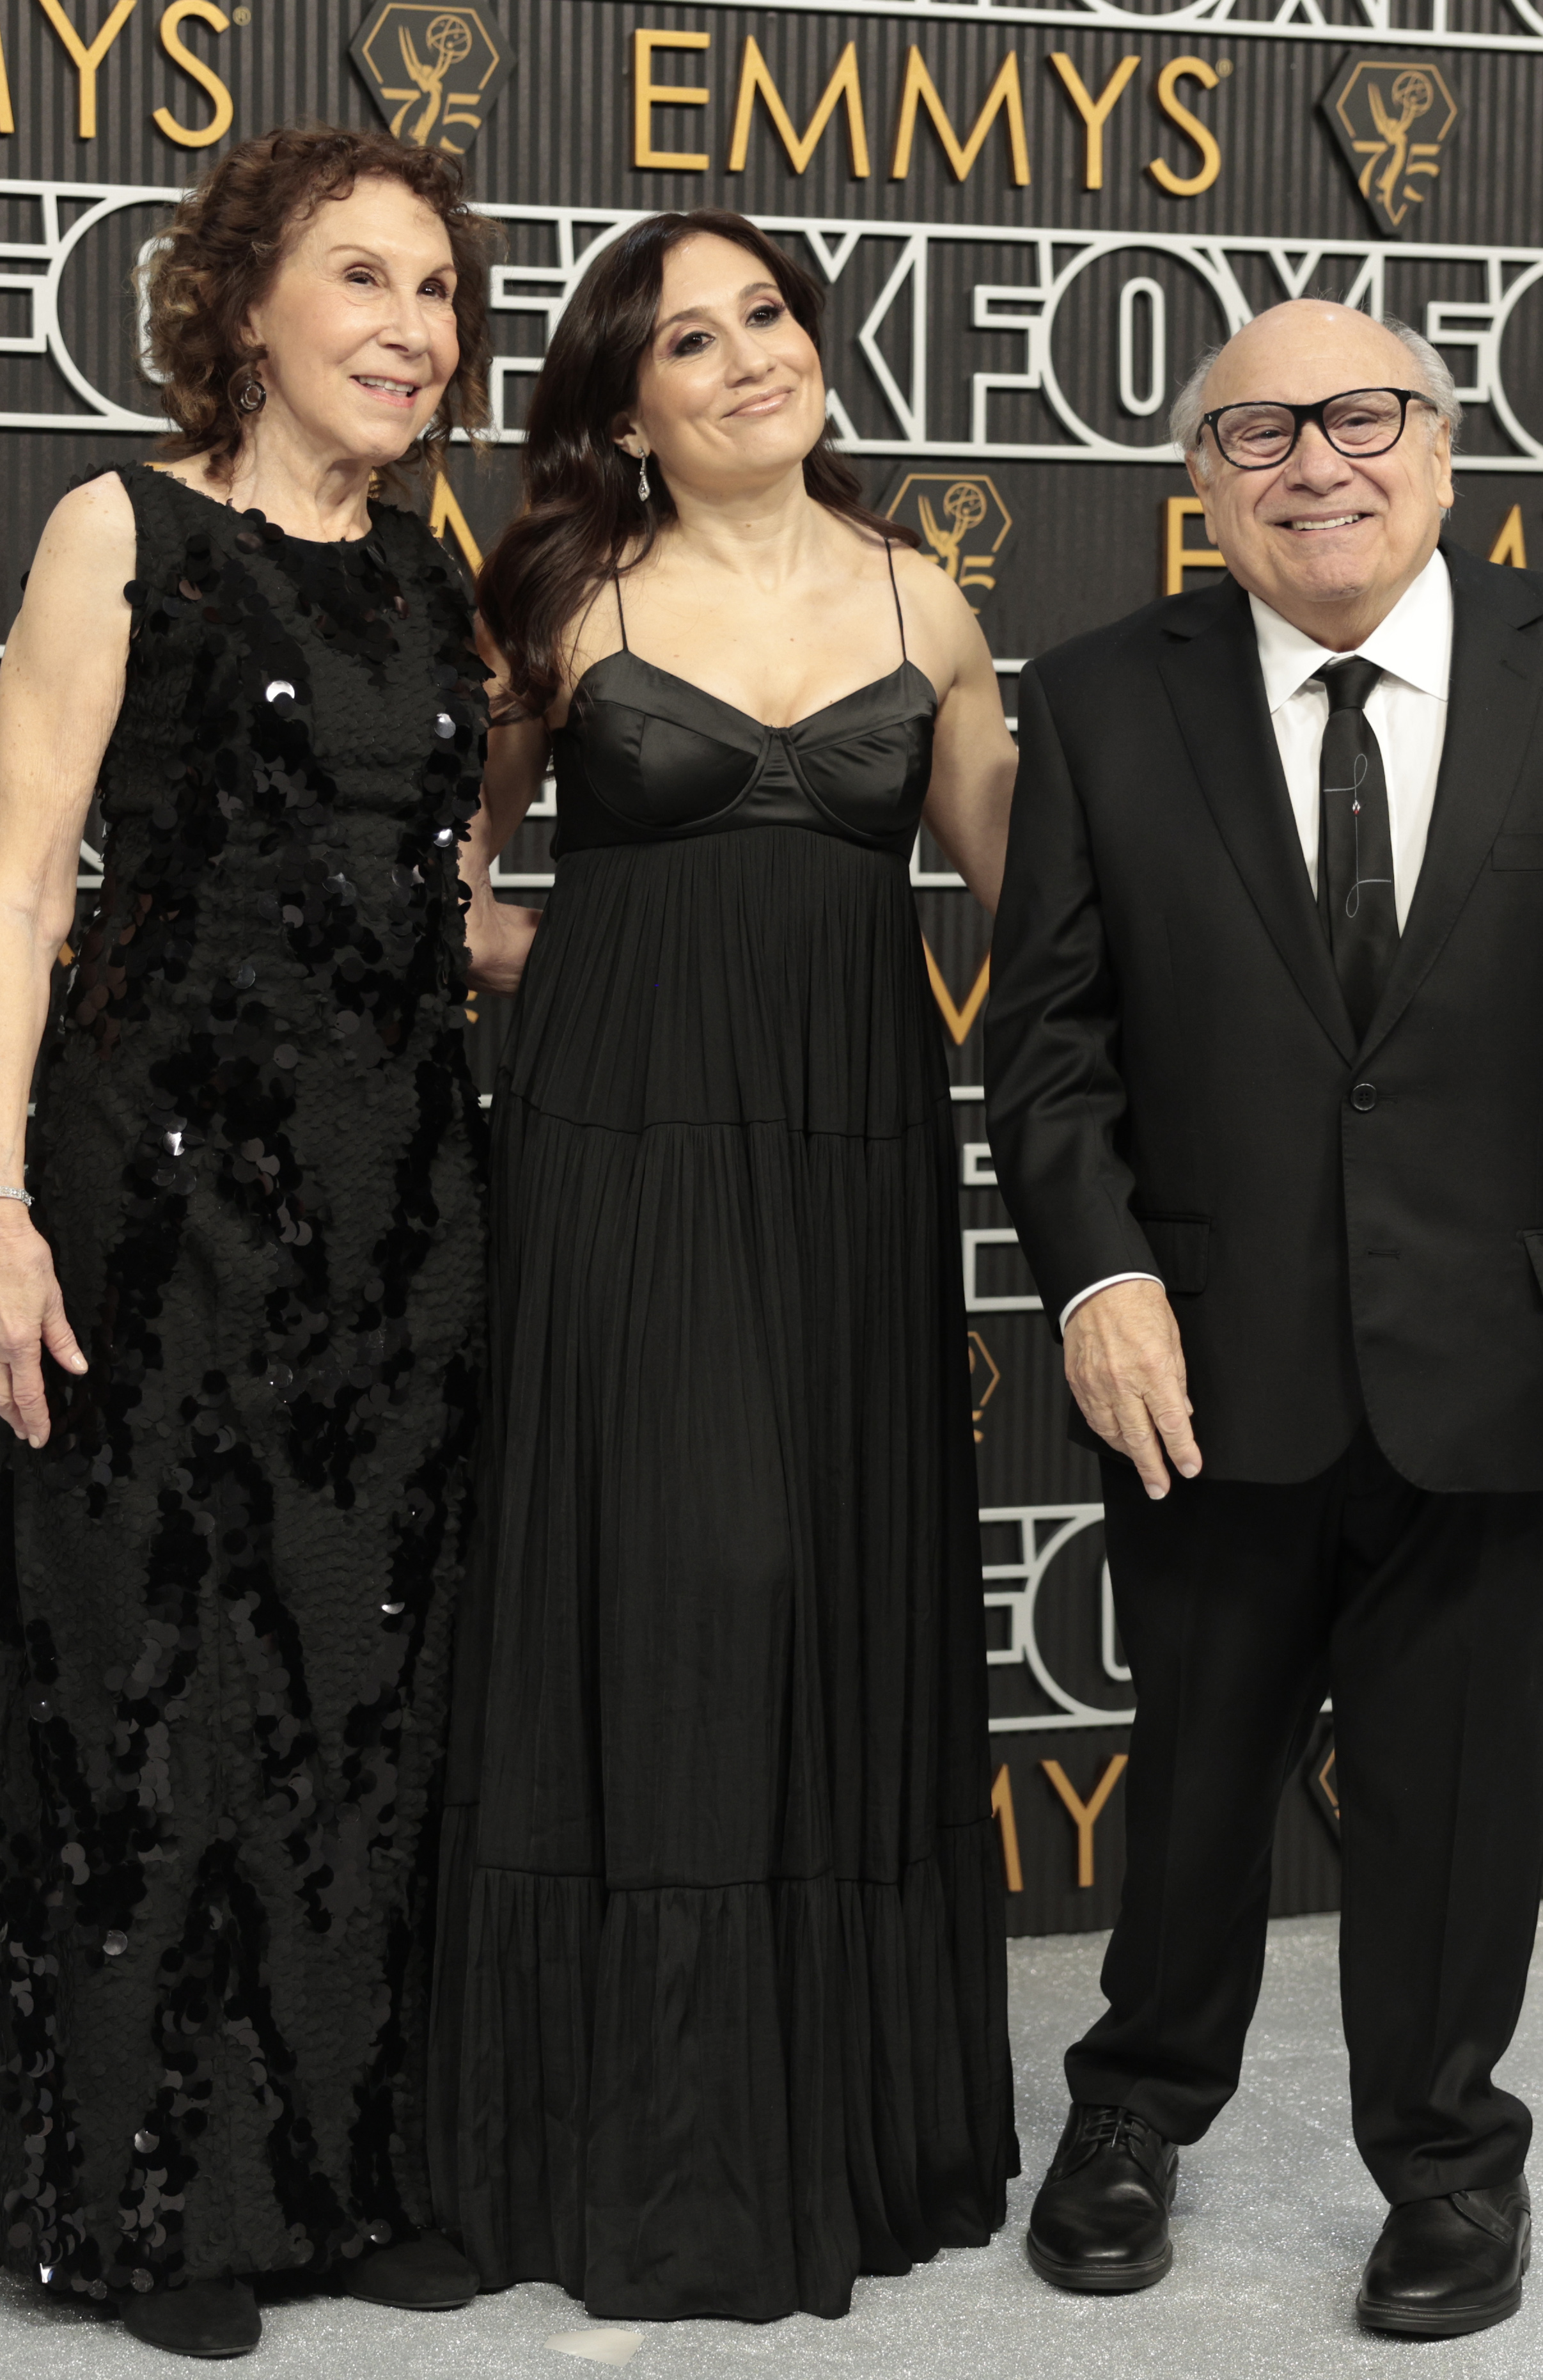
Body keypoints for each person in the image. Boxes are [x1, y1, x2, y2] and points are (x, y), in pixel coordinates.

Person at [983, 299, 1543, 2339]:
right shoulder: (1097, 701)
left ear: (1446, 445)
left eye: (1363, 415)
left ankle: (1450, 2164)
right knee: (1198, 1764)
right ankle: (1135, 2112)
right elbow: (1045, 1052)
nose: (1316, 461)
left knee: (1460, 1784)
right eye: (1256, 434)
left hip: (1512, 1344)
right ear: (1200, 488)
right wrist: (1103, 1274)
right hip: (1206, 1362)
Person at [0, 124, 535, 2361]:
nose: (412, 328)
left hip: (406, 1205)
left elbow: (426, 905)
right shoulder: (129, 527)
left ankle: (344, 2171)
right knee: (155, 1676)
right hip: (155, 1185)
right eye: (362, 280)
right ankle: (149, 2195)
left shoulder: (434, 579)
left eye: (439, 292)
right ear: (249, 306)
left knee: (364, 1679)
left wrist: (674, 969)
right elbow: (22, 888)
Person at [431, 209, 1021, 2324]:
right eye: (695, 337)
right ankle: (645, 2146)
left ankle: (824, 2130)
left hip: (854, 1176)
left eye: (769, 314)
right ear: (625, 404)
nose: (754, 356)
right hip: (625, 1168)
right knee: (691, 1577)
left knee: (824, 1589)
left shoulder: (921, 602)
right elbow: (444, 875)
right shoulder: (566, 599)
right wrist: (547, 948)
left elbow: (1032, 908)